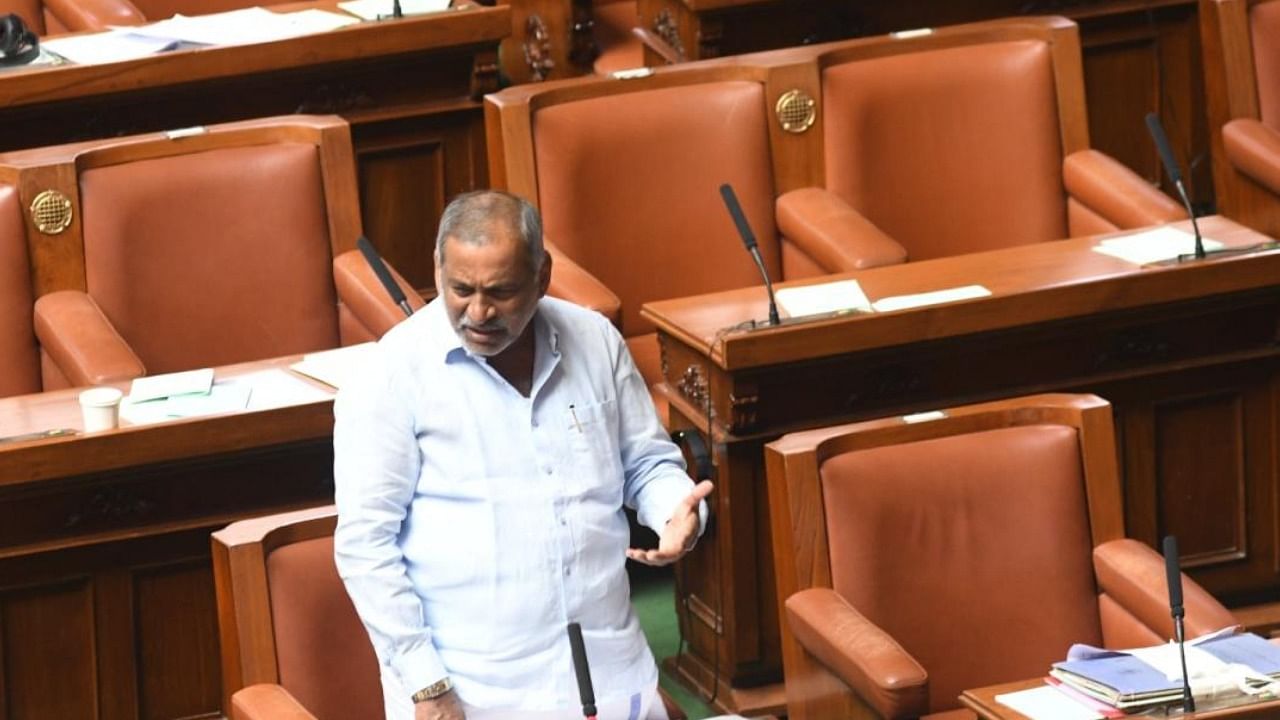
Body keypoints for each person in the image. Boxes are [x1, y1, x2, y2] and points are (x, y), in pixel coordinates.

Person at [333, 190, 713, 720]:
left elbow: (646, 464)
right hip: (472, 688)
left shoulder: (595, 342)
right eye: (460, 289)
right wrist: (427, 686)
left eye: (501, 291)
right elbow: (364, 545)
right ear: (437, 269)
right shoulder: (390, 377)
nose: (479, 311)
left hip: (607, 663)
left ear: (542, 276)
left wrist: (675, 510)